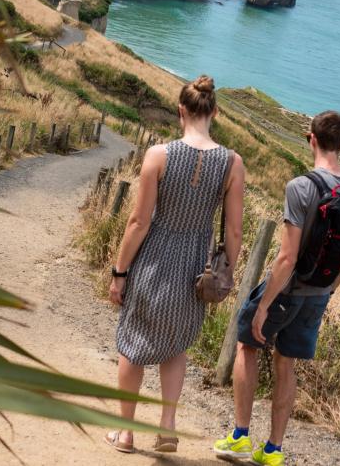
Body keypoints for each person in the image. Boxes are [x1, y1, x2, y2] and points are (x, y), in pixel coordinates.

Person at [214, 111, 340, 466]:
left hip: (287, 290)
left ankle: (239, 436)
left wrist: (265, 304)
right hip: (319, 294)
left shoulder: (302, 187)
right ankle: (273, 451)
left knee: (247, 346)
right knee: (287, 363)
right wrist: (327, 292)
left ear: (309, 137)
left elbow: (287, 256)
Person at [104, 76, 245, 454]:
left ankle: (125, 432)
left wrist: (119, 272)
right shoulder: (233, 163)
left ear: (180, 111)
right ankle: (167, 424)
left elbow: (139, 222)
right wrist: (227, 272)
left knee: (132, 343)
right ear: (214, 112)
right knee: (176, 344)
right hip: (195, 269)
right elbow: (234, 229)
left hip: (153, 259)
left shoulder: (158, 156)